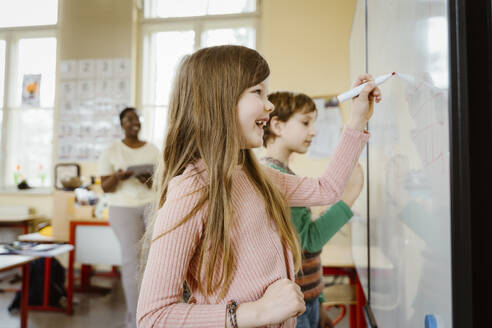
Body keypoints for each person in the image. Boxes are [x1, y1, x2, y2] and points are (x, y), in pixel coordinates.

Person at [137, 45, 381, 328]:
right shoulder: (192, 189)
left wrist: (358, 118)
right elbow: (153, 318)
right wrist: (259, 312)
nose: (270, 105)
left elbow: (325, 189)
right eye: (258, 92)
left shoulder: (257, 176)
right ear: (220, 100)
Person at [261, 92, 365, 328]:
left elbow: (301, 242)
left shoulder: (281, 173)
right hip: (297, 305)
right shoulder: (278, 178)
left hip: (306, 299)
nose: (314, 132)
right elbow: (309, 240)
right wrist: (348, 198)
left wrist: (317, 300)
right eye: (305, 122)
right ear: (277, 125)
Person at [99, 107, 160, 328]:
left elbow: (160, 183)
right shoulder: (112, 151)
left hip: (150, 206)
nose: (135, 122)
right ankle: (135, 320)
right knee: (132, 263)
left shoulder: (153, 150)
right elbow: (105, 187)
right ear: (122, 124)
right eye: (129, 119)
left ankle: (154, 314)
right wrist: (118, 176)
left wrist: (147, 177)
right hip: (123, 208)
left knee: (154, 263)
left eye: (137, 118)